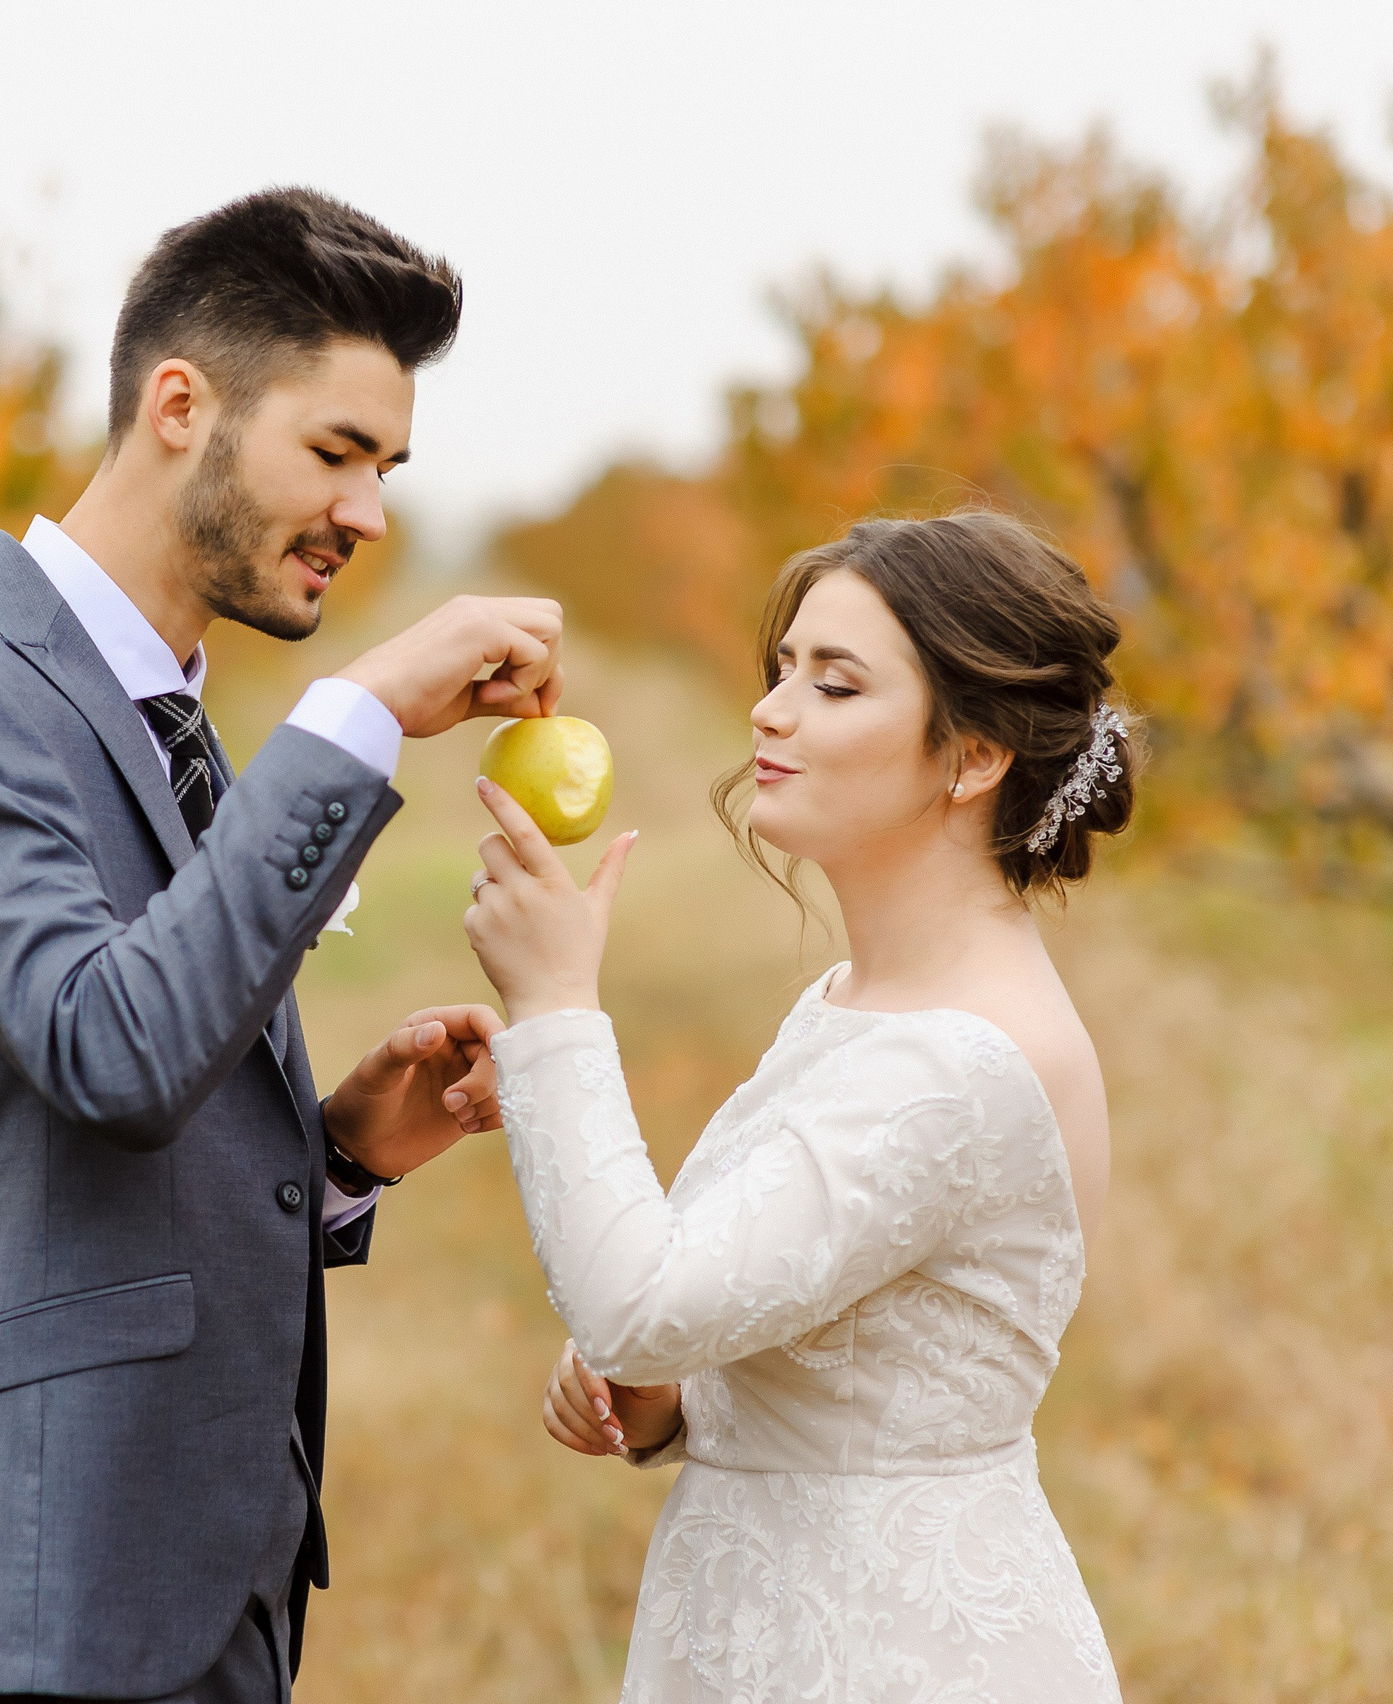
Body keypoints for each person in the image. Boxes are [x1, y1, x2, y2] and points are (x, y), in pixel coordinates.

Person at [0, 187, 567, 1703]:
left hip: (210, 1572)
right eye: (336, 453)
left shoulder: (162, 710)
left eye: (389, 467)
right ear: (181, 406)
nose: (368, 514)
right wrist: (356, 719)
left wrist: (341, 1151)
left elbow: (134, 1067)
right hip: (39, 1581)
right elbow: (112, 1051)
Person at [462, 512, 1128, 1701]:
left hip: (890, 1648)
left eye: (835, 684)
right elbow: (777, 1319)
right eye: (782, 671)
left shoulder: (961, 1063)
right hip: (768, 1614)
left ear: (970, 758)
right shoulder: (856, 1001)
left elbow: (635, 1302)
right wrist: (672, 1402)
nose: (771, 710)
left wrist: (555, 1003)